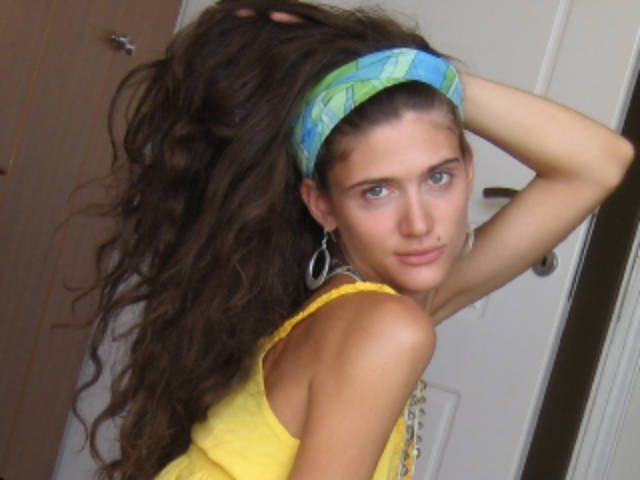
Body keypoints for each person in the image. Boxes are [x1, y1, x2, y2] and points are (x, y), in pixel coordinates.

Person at [77, 1, 634, 479]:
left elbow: (601, 163)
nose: (419, 223)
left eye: (438, 177)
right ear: (322, 204)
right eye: (377, 191)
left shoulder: (371, 310)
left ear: (469, 169)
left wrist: (413, 71)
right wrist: (406, 71)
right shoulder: (385, 328)